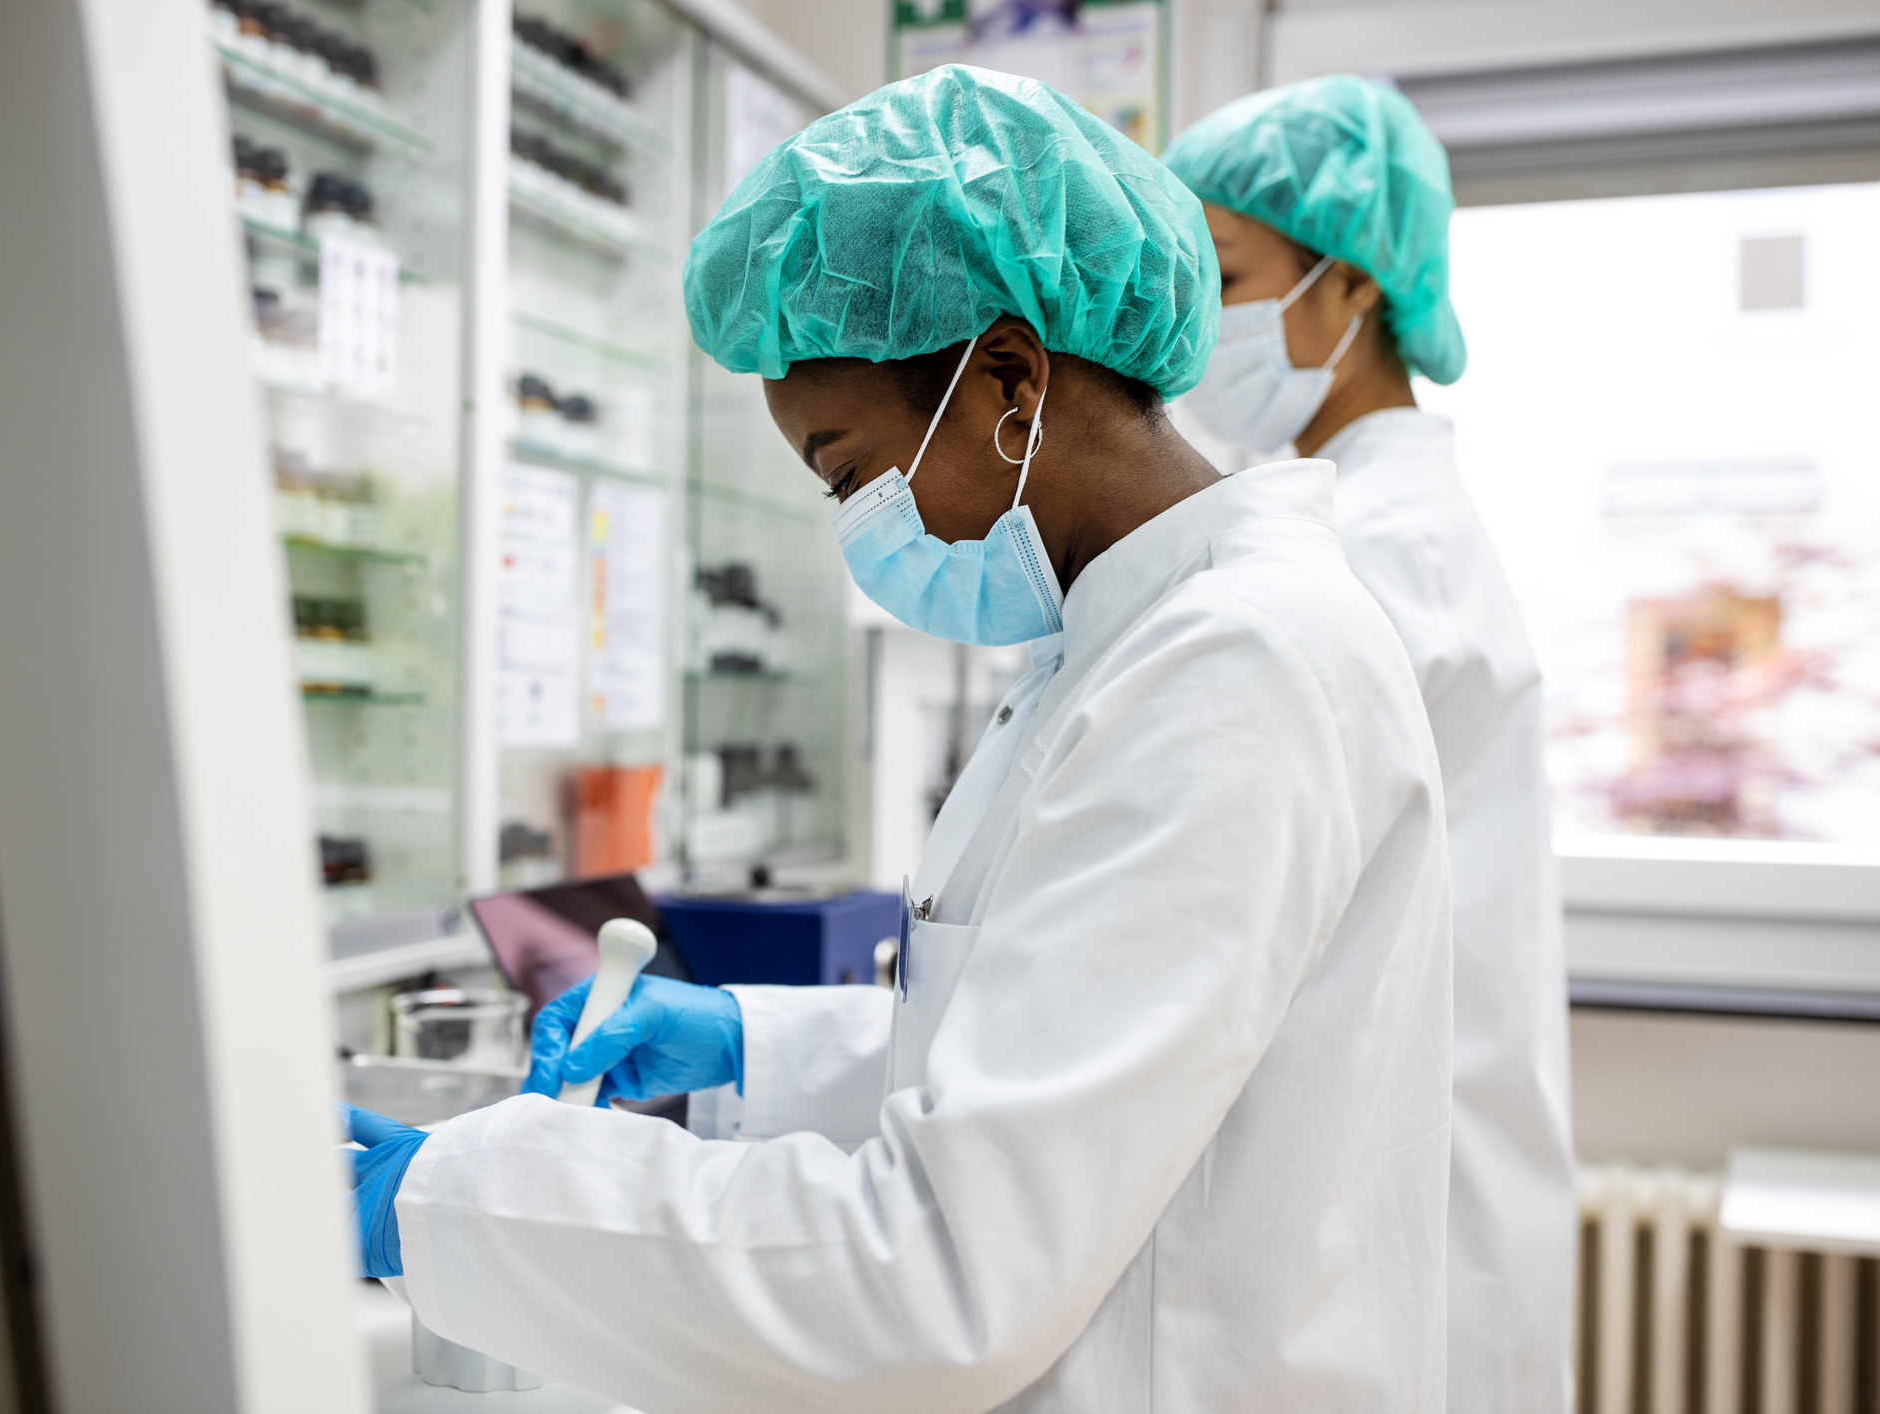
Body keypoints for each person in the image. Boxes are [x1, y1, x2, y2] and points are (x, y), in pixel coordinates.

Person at [343, 64, 1453, 1412]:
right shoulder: (1118, 644)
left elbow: (940, 1270)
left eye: (850, 469)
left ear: (1006, 375)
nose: (858, 524)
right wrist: (757, 1043)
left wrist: (443, 1195)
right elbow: (1065, 1046)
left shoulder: (1231, 666)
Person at [1164, 74, 1576, 1414]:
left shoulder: (1379, 549)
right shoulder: (1344, 517)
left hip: (1403, 1214)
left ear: (1347, 292)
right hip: (1401, 1192)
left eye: (1222, 274)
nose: (1190, 324)